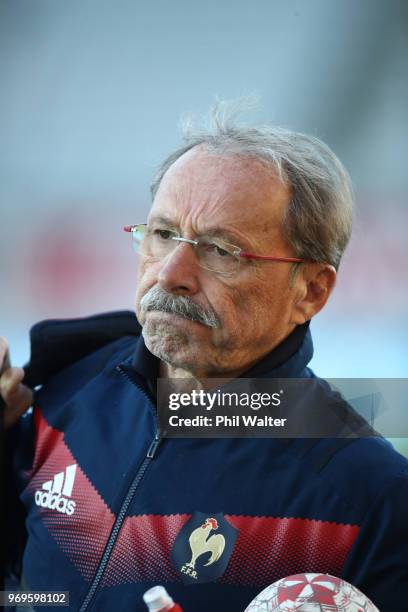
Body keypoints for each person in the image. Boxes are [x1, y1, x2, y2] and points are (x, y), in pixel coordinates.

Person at [1, 101, 407, 612]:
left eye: (220, 250)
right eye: (164, 234)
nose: (171, 272)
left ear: (310, 291)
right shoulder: (63, 393)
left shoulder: (369, 497)